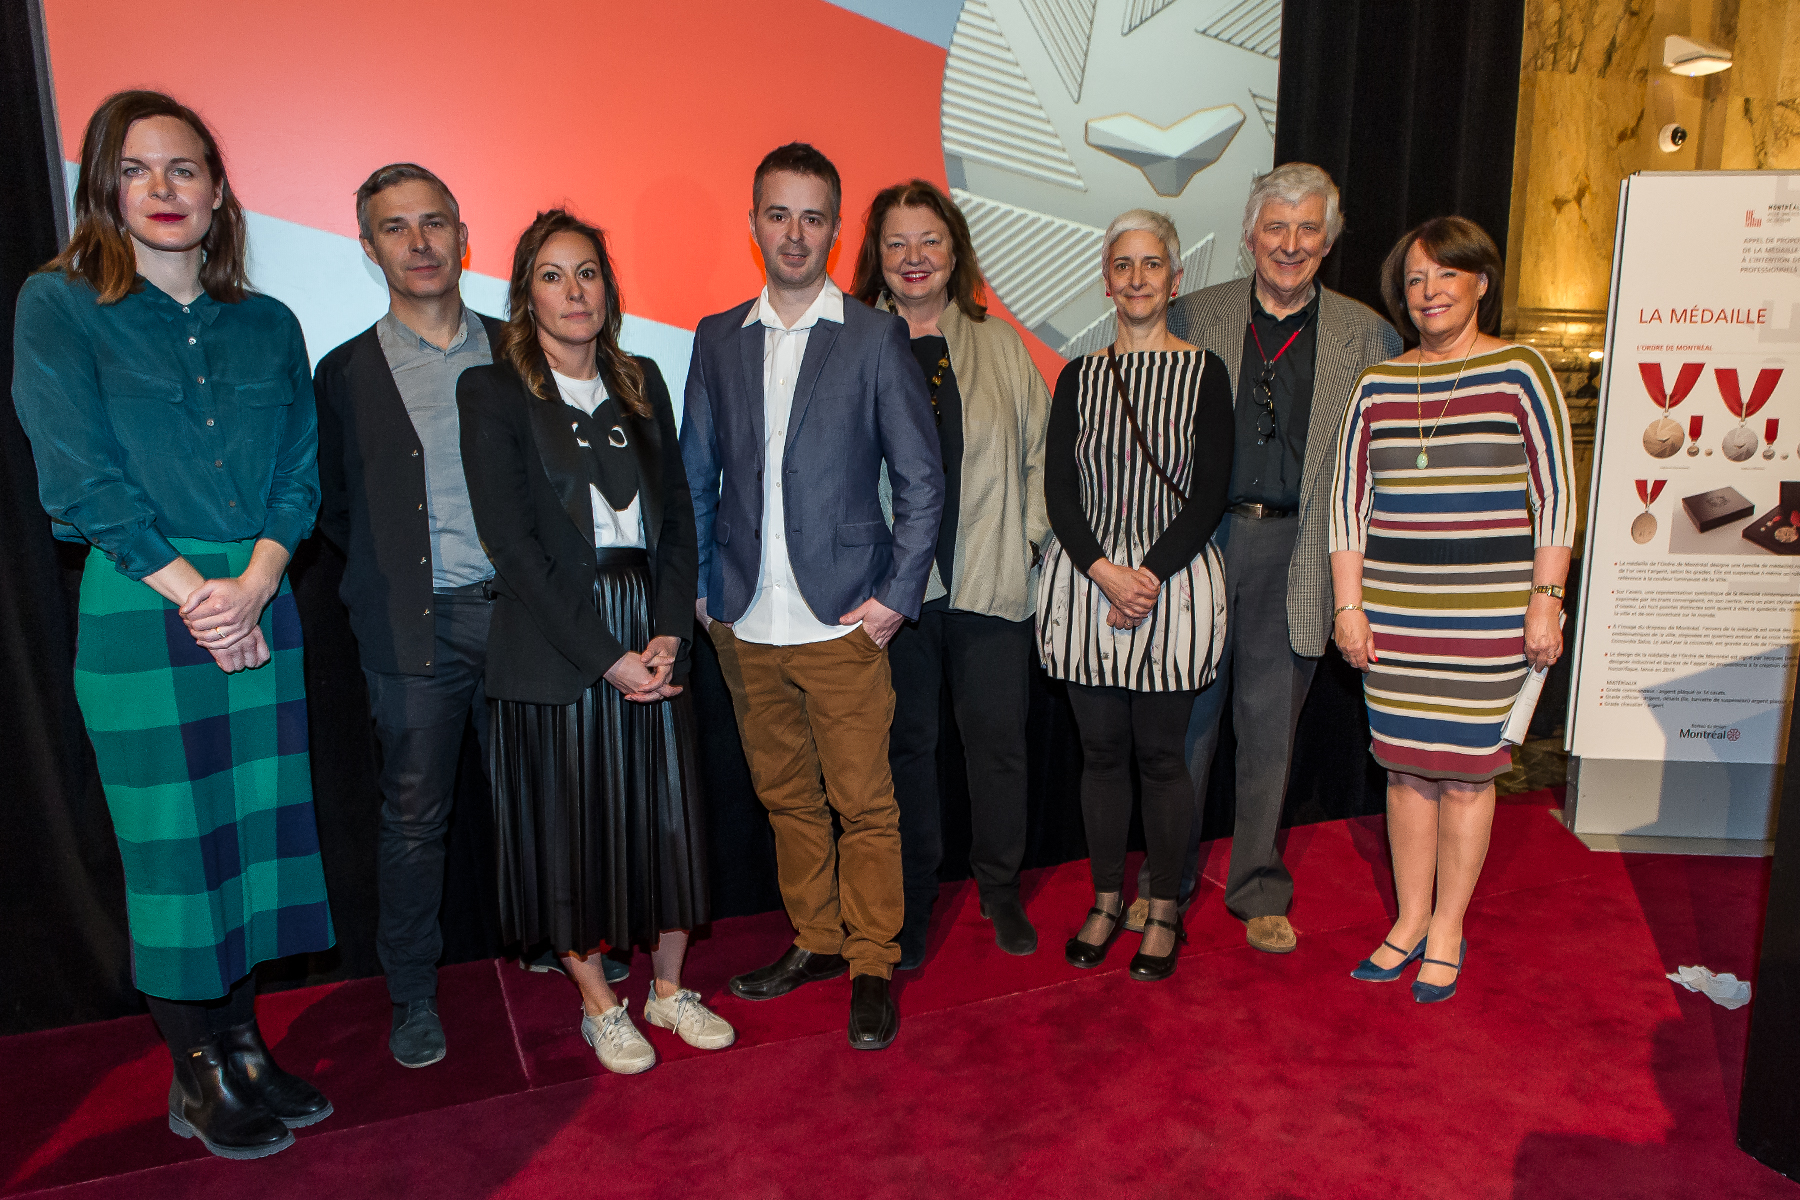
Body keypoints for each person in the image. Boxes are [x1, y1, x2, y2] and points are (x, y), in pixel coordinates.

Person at [11, 90, 332, 1158]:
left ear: (217, 187)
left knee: (254, 846)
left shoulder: (269, 323)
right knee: (174, 855)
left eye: (184, 168)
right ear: (104, 186)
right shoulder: (57, 305)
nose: (163, 190)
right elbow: (79, 477)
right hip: (146, 607)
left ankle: (243, 1046)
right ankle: (196, 1071)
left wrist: (254, 586)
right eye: (138, 170)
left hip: (261, 602)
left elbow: (299, 475)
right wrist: (201, 592)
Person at [682, 143, 943, 1050]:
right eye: (778, 214)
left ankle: (873, 959)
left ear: (837, 228)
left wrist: (896, 598)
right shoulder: (716, 337)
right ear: (753, 223)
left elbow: (921, 481)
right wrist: (705, 596)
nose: (795, 234)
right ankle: (817, 940)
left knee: (866, 803)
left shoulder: (875, 336)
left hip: (843, 620)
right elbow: (696, 478)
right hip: (745, 623)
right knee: (788, 799)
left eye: (814, 216)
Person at [456, 209, 728, 1073]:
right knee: (569, 835)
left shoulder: (644, 376)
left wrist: (668, 634)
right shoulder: (492, 390)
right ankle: (600, 1004)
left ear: (609, 288)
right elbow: (514, 547)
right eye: (552, 275)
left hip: (651, 624)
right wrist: (606, 657)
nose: (574, 292)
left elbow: (680, 519)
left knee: (672, 823)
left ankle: (670, 991)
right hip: (557, 642)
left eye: (588, 274)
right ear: (524, 293)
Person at [1129, 163, 1403, 955]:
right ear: (1250, 234)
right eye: (1275, 227)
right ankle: (1165, 885)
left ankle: (1256, 887)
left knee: (1269, 732)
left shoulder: (1367, 334)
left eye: (1308, 228)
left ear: (1330, 238)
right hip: (1200, 545)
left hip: (1301, 550)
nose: (1290, 244)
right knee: (1187, 726)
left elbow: (1377, 462)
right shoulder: (1193, 313)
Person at [1330, 216, 1574, 1003]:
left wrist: (1546, 601)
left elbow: (1556, 498)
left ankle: (1447, 927)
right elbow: (1346, 507)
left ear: (1480, 283)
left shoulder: (1520, 370)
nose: (1428, 292)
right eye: (1414, 280)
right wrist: (1348, 608)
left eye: (1444, 276)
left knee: (1468, 781)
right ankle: (1408, 918)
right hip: (1397, 617)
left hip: (1487, 619)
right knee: (1404, 776)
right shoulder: (1378, 384)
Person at [312, 164, 506, 1069]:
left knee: (545, 798)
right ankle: (413, 995)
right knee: (415, 819)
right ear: (369, 247)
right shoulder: (344, 373)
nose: (419, 242)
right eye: (396, 228)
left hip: (523, 623)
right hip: (411, 632)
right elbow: (337, 510)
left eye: (435, 223)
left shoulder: (522, 348)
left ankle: (563, 948)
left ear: (464, 236)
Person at [850, 179, 1050, 968]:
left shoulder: (997, 343)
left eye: (928, 240)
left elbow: (1041, 453)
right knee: (907, 748)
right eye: (896, 242)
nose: (913, 257)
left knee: (999, 745)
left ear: (954, 249)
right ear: (877, 255)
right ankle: (912, 897)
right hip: (894, 595)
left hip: (989, 584)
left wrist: (1029, 539)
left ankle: (999, 886)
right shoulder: (855, 342)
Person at [1039, 209, 1232, 983]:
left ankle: (1162, 910)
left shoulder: (1206, 372)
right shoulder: (1079, 375)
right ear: (1106, 279)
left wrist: (1143, 574)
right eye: (1125, 265)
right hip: (1088, 589)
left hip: (1174, 588)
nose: (1139, 278)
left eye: (1153, 265)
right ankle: (1106, 897)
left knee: (1160, 756)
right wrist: (1102, 571)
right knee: (1101, 754)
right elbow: (1059, 488)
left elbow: (1210, 490)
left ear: (1174, 279)